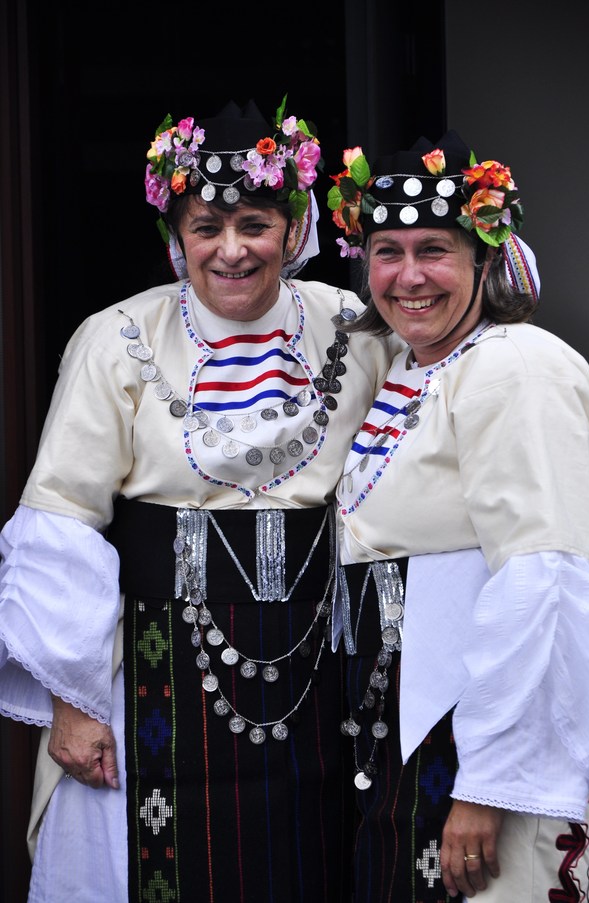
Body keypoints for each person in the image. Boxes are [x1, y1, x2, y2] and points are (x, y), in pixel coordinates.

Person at [0, 97, 400, 903]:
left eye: (255, 225)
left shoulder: (356, 328)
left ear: (293, 227)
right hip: (159, 672)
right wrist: (73, 702)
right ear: (176, 237)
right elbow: (62, 516)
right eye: (206, 228)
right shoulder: (117, 337)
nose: (231, 249)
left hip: (322, 675)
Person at [327, 131, 589, 901]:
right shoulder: (411, 368)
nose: (409, 276)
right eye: (387, 251)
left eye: (434, 250)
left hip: (474, 742)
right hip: (409, 730)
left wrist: (488, 782)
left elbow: (544, 576)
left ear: (485, 259)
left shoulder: (516, 364)